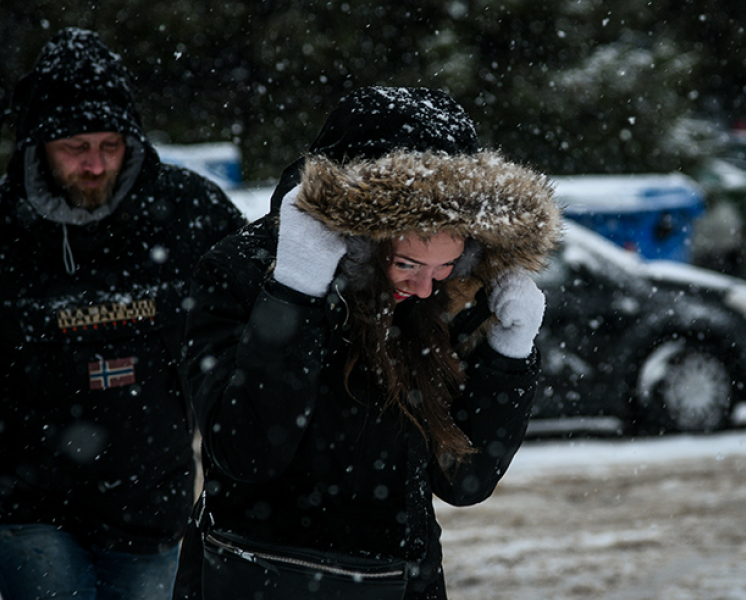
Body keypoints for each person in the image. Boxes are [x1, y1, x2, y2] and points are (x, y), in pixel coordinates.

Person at [0, 27, 246, 599]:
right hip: (25, 503)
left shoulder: (189, 213)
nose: (96, 166)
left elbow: (259, 335)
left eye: (110, 145)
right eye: (75, 148)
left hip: (152, 500)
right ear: (37, 145)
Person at [179, 86, 560, 599]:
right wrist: (295, 293)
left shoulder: (452, 296)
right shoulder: (243, 270)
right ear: (360, 231)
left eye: (445, 265)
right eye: (407, 264)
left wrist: (509, 351)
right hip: (260, 576)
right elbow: (246, 452)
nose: (425, 287)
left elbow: (464, 481)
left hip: (401, 581)